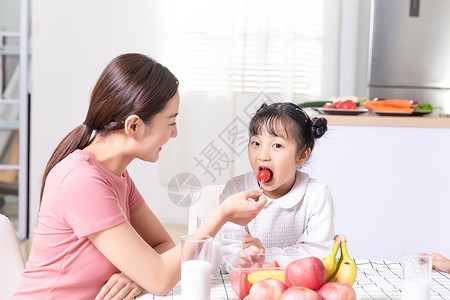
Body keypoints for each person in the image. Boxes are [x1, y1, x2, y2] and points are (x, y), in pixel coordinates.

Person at [12, 53, 267, 299]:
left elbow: (163, 246)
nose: (174, 134)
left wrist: (135, 275)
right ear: (133, 126)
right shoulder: (81, 180)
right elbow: (160, 279)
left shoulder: (117, 175)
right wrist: (221, 215)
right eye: (170, 123)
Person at [219, 102, 334, 259]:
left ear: (301, 156)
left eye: (277, 145)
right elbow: (224, 247)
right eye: (256, 143)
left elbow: (318, 252)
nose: (263, 155)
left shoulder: (316, 195)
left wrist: (266, 255)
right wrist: (245, 255)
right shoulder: (236, 189)